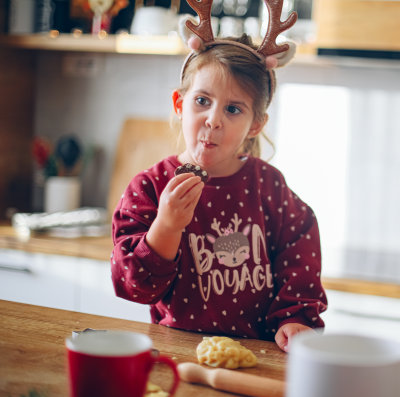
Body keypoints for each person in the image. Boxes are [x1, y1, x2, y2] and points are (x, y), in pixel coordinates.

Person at [111, 1, 327, 352]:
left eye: (233, 109)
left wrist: (295, 317)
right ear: (180, 105)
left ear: (255, 124)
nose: (213, 119)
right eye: (202, 101)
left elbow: (298, 247)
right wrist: (166, 227)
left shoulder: (268, 186)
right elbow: (132, 287)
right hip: (176, 352)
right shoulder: (149, 188)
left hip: (257, 356)